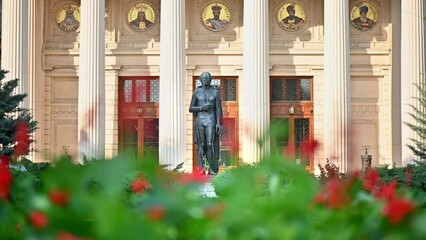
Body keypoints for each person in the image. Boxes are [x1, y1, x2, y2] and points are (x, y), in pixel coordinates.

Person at [189, 72, 223, 175]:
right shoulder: (196, 92)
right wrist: (201, 108)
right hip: (200, 119)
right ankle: (201, 168)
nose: (205, 79)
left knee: (209, 144)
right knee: (201, 145)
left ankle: (211, 168)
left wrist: (218, 123)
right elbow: (191, 108)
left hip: (210, 118)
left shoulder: (215, 92)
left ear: (210, 79)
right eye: (203, 78)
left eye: (207, 78)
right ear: (200, 79)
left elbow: (218, 109)